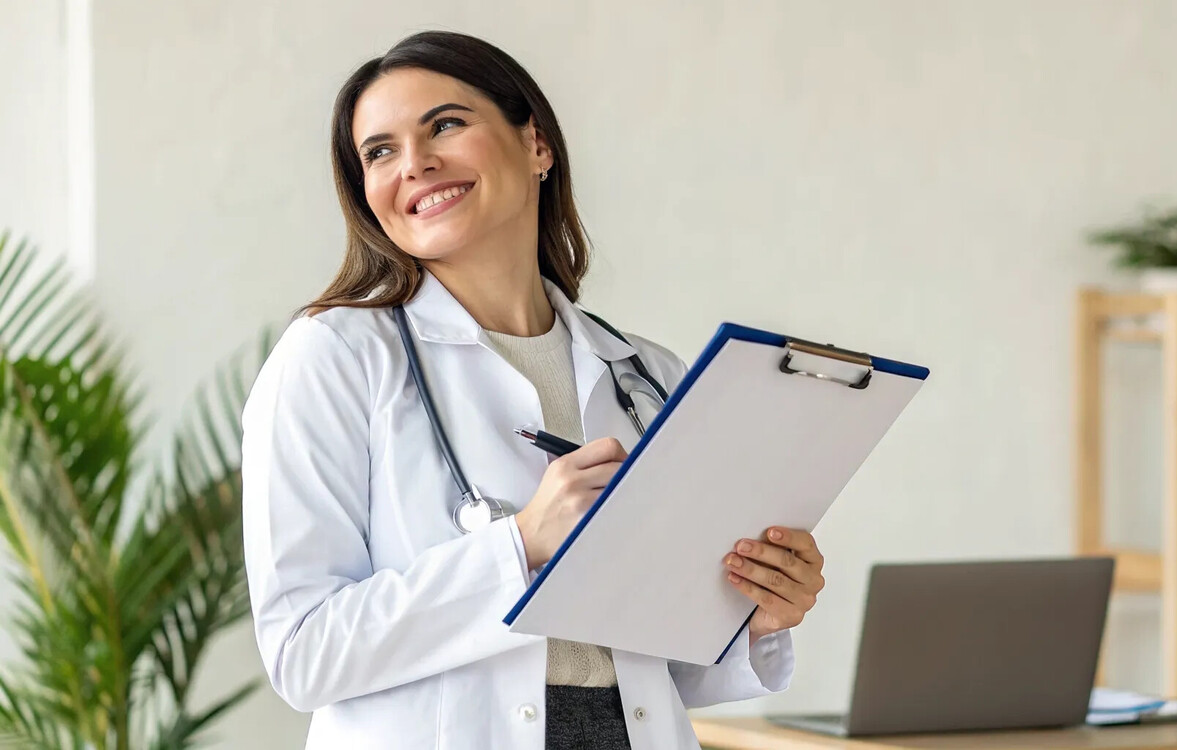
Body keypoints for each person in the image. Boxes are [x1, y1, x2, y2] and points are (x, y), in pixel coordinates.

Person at [240, 30, 825, 750]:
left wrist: (756, 612)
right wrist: (517, 547)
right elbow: (303, 653)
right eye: (380, 151)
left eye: (445, 125)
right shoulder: (334, 357)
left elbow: (670, 668)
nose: (416, 163)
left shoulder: (647, 376)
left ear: (537, 145)